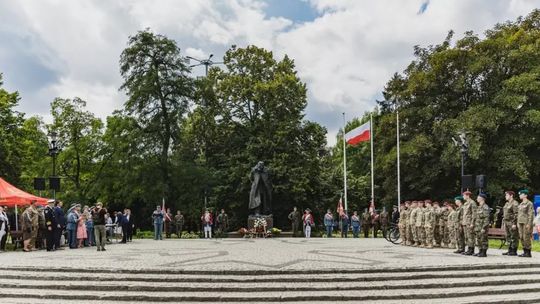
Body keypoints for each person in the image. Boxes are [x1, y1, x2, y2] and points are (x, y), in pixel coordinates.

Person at [517, 189, 534, 258]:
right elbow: (519, 214)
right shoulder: (520, 204)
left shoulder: (529, 203)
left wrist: (529, 224)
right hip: (520, 222)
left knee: (526, 237)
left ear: (525, 195)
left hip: (526, 223)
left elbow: (531, 215)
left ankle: (528, 252)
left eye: (521, 194)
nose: (520, 195)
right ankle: (524, 251)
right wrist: (517, 223)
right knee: (521, 237)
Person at [502, 191, 519, 256]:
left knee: (514, 236)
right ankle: (509, 250)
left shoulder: (515, 203)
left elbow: (516, 214)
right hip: (506, 222)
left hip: (512, 222)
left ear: (511, 195)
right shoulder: (506, 204)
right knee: (508, 236)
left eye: (507, 195)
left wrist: (514, 223)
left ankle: (514, 250)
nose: (505, 196)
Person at [461, 191, 477, 255]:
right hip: (465, 222)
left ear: (468, 195)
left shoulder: (472, 203)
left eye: (464, 195)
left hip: (469, 222)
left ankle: (471, 249)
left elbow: (474, 214)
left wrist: (472, 223)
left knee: (471, 236)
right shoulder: (465, 203)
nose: (463, 197)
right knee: (467, 236)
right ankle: (468, 249)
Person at [474, 193, 490, 257]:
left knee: (483, 239)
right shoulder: (479, 207)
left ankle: (484, 252)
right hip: (478, 226)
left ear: (482, 199)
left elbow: (486, 218)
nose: (477, 199)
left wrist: (484, 227)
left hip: (482, 227)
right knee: (478, 239)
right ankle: (480, 251)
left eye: (478, 198)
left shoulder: (485, 207)